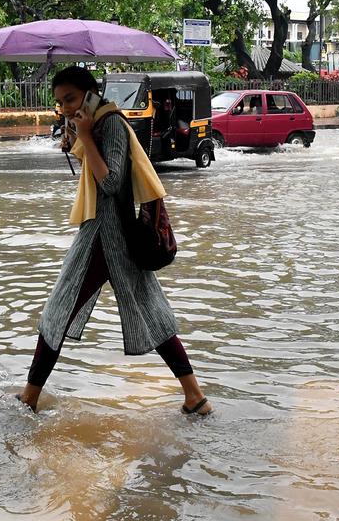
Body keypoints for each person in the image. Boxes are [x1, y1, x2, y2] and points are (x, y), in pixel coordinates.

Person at [17, 66, 213, 416]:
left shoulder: (110, 124)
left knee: (57, 312)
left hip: (102, 238)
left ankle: (29, 397)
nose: (64, 107)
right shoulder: (96, 122)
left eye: (71, 99)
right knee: (152, 311)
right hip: (112, 236)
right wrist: (76, 136)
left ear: (92, 93)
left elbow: (110, 184)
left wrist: (87, 137)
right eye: (59, 102)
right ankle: (194, 396)